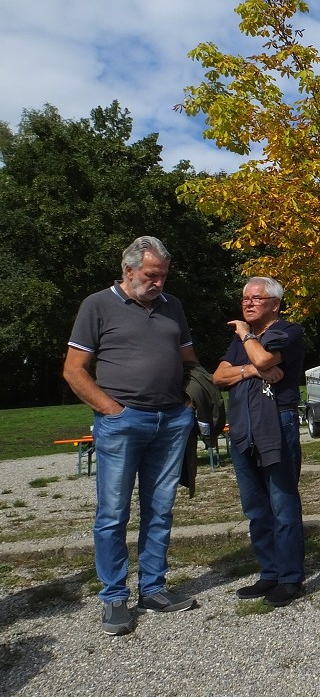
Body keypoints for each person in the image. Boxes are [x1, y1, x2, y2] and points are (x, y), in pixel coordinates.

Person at [63, 236, 197, 635]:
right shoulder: (97, 305)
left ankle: (153, 589)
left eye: (163, 276)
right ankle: (114, 597)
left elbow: (189, 361)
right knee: (112, 514)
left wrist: (188, 405)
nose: (158, 283)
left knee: (160, 510)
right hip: (124, 422)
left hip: (171, 421)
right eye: (151, 275)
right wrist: (112, 410)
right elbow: (73, 370)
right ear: (128, 270)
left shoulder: (174, 307)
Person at [212, 277, 306, 608]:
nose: (248, 303)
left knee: (282, 502)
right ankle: (269, 570)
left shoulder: (287, 331)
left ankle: (290, 577)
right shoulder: (242, 340)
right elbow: (218, 376)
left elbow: (267, 359)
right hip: (243, 425)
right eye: (244, 298)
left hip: (276, 422)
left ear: (275, 304)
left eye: (256, 298)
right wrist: (251, 371)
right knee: (255, 506)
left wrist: (247, 337)